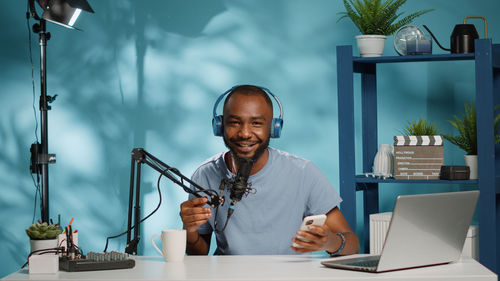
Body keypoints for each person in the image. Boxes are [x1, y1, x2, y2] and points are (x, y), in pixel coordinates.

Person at [179, 85, 359, 255]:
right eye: (234, 122)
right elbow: (198, 254)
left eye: (256, 123)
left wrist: (329, 242)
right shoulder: (205, 175)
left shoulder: (303, 172)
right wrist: (190, 229)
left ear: (273, 128)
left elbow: (353, 245)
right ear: (220, 126)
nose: (245, 133)